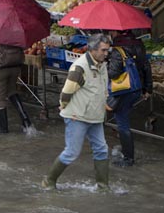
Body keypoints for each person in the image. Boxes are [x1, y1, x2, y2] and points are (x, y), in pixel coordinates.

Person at [42, 33, 112, 191]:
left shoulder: (102, 65)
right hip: (77, 116)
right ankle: (49, 180)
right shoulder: (80, 67)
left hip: (95, 116)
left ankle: (103, 186)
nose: (106, 53)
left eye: (107, 50)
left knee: (101, 149)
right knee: (72, 152)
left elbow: (102, 88)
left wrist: (104, 101)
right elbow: (67, 92)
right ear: (92, 49)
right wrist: (63, 105)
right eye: (103, 50)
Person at [106, 29, 153, 167]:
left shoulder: (117, 50)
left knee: (122, 122)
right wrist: (147, 88)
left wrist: (105, 66)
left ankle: (128, 158)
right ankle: (126, 151)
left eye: (111, 31)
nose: (110, 33)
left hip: (124, 90)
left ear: (116, 32)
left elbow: (113, 73)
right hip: (136, 88)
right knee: (123, 118)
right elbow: (146, 66)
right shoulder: (138, 44)